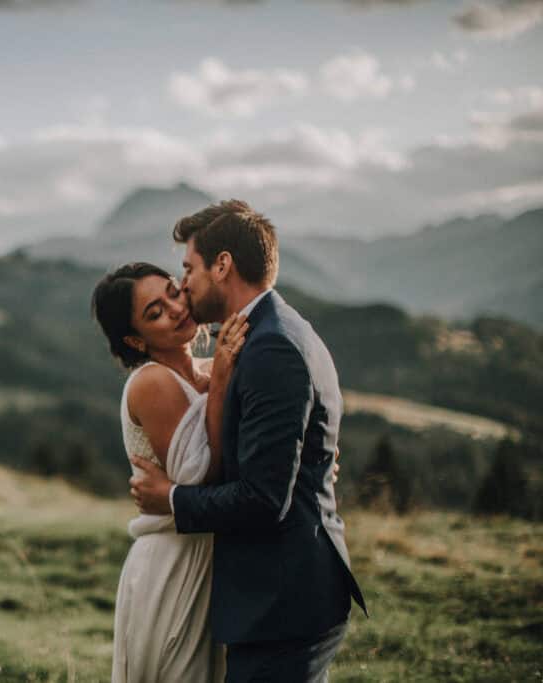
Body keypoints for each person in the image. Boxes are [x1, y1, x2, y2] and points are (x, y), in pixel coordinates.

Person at [130, 200, 367, 683]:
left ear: (222, 265)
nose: (184, 286)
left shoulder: (271, 346)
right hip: (278, 596)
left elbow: (262, 499)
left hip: (283, 602)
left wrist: (171, 498)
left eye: (189, 269)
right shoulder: (263, 334)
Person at [91, 262, 248, 682]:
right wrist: (223, 378)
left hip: (219, 562)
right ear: (135, 340)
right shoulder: (152, 382)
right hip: (174, 566)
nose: (176, 309)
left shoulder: (212, 369)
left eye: (173, 292)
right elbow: (201, 475)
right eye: (155, 313)